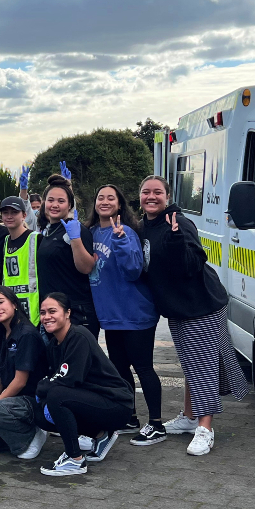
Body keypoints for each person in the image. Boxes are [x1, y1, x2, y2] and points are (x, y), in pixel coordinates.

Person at [138, 176, 249, 455]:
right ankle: (189, 418)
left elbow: (191, 265)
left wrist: (176, 241)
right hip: (178, 308)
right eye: (145, 192)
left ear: (167, 195)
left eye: (157, 192)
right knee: (190, 364)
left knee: (203, 367)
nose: (151, 197)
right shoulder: (144, 227)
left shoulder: (178, 222)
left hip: (202, 304)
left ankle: (205, 428)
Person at [85, 185, 163, 443]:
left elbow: (133, 271)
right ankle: (130, 416)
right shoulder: (92, 233)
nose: (104, 201)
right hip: (111, 316)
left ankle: (156, 424)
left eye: (111, 198)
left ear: (119, 205)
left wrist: (119, 241)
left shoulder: (125, 232)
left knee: (142, 367)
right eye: (100, 197)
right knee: (119, 368)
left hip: (135, 314)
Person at [35, 293, 134, 476]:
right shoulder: (54, 345)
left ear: (67, 313)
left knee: (57, 396)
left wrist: (43, 387)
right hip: (92, 400)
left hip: (116, 403)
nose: (46, 317)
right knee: (41, 415)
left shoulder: (79, 336)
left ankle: (75, 460)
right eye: (42, 313)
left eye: (52, 311)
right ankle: (100, 436)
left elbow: (68, 380)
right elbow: (55, 377)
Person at [0, 287, 48, 459]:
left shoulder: (26, 334)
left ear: (14, 304)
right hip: (9, 402)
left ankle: (34, 433)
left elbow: (20, 382)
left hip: (31, 400)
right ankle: (12, 429)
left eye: (0, 302)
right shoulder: (0, 332)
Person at [37, 174, 99, 337]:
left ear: (70, 205)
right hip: (53, 313)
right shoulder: (48, 232)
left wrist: (75, 238)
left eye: (61, 201)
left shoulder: (76, 229)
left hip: (76, 313)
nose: (54, 205)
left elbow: (86, 267)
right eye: (50, 200)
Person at [0, 196, 41, 326]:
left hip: (36, 314)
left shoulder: (36, 239)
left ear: (24, 215)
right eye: (6, 213)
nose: (9, 216)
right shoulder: (5, 242)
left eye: (14, 212)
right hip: (12, 311)